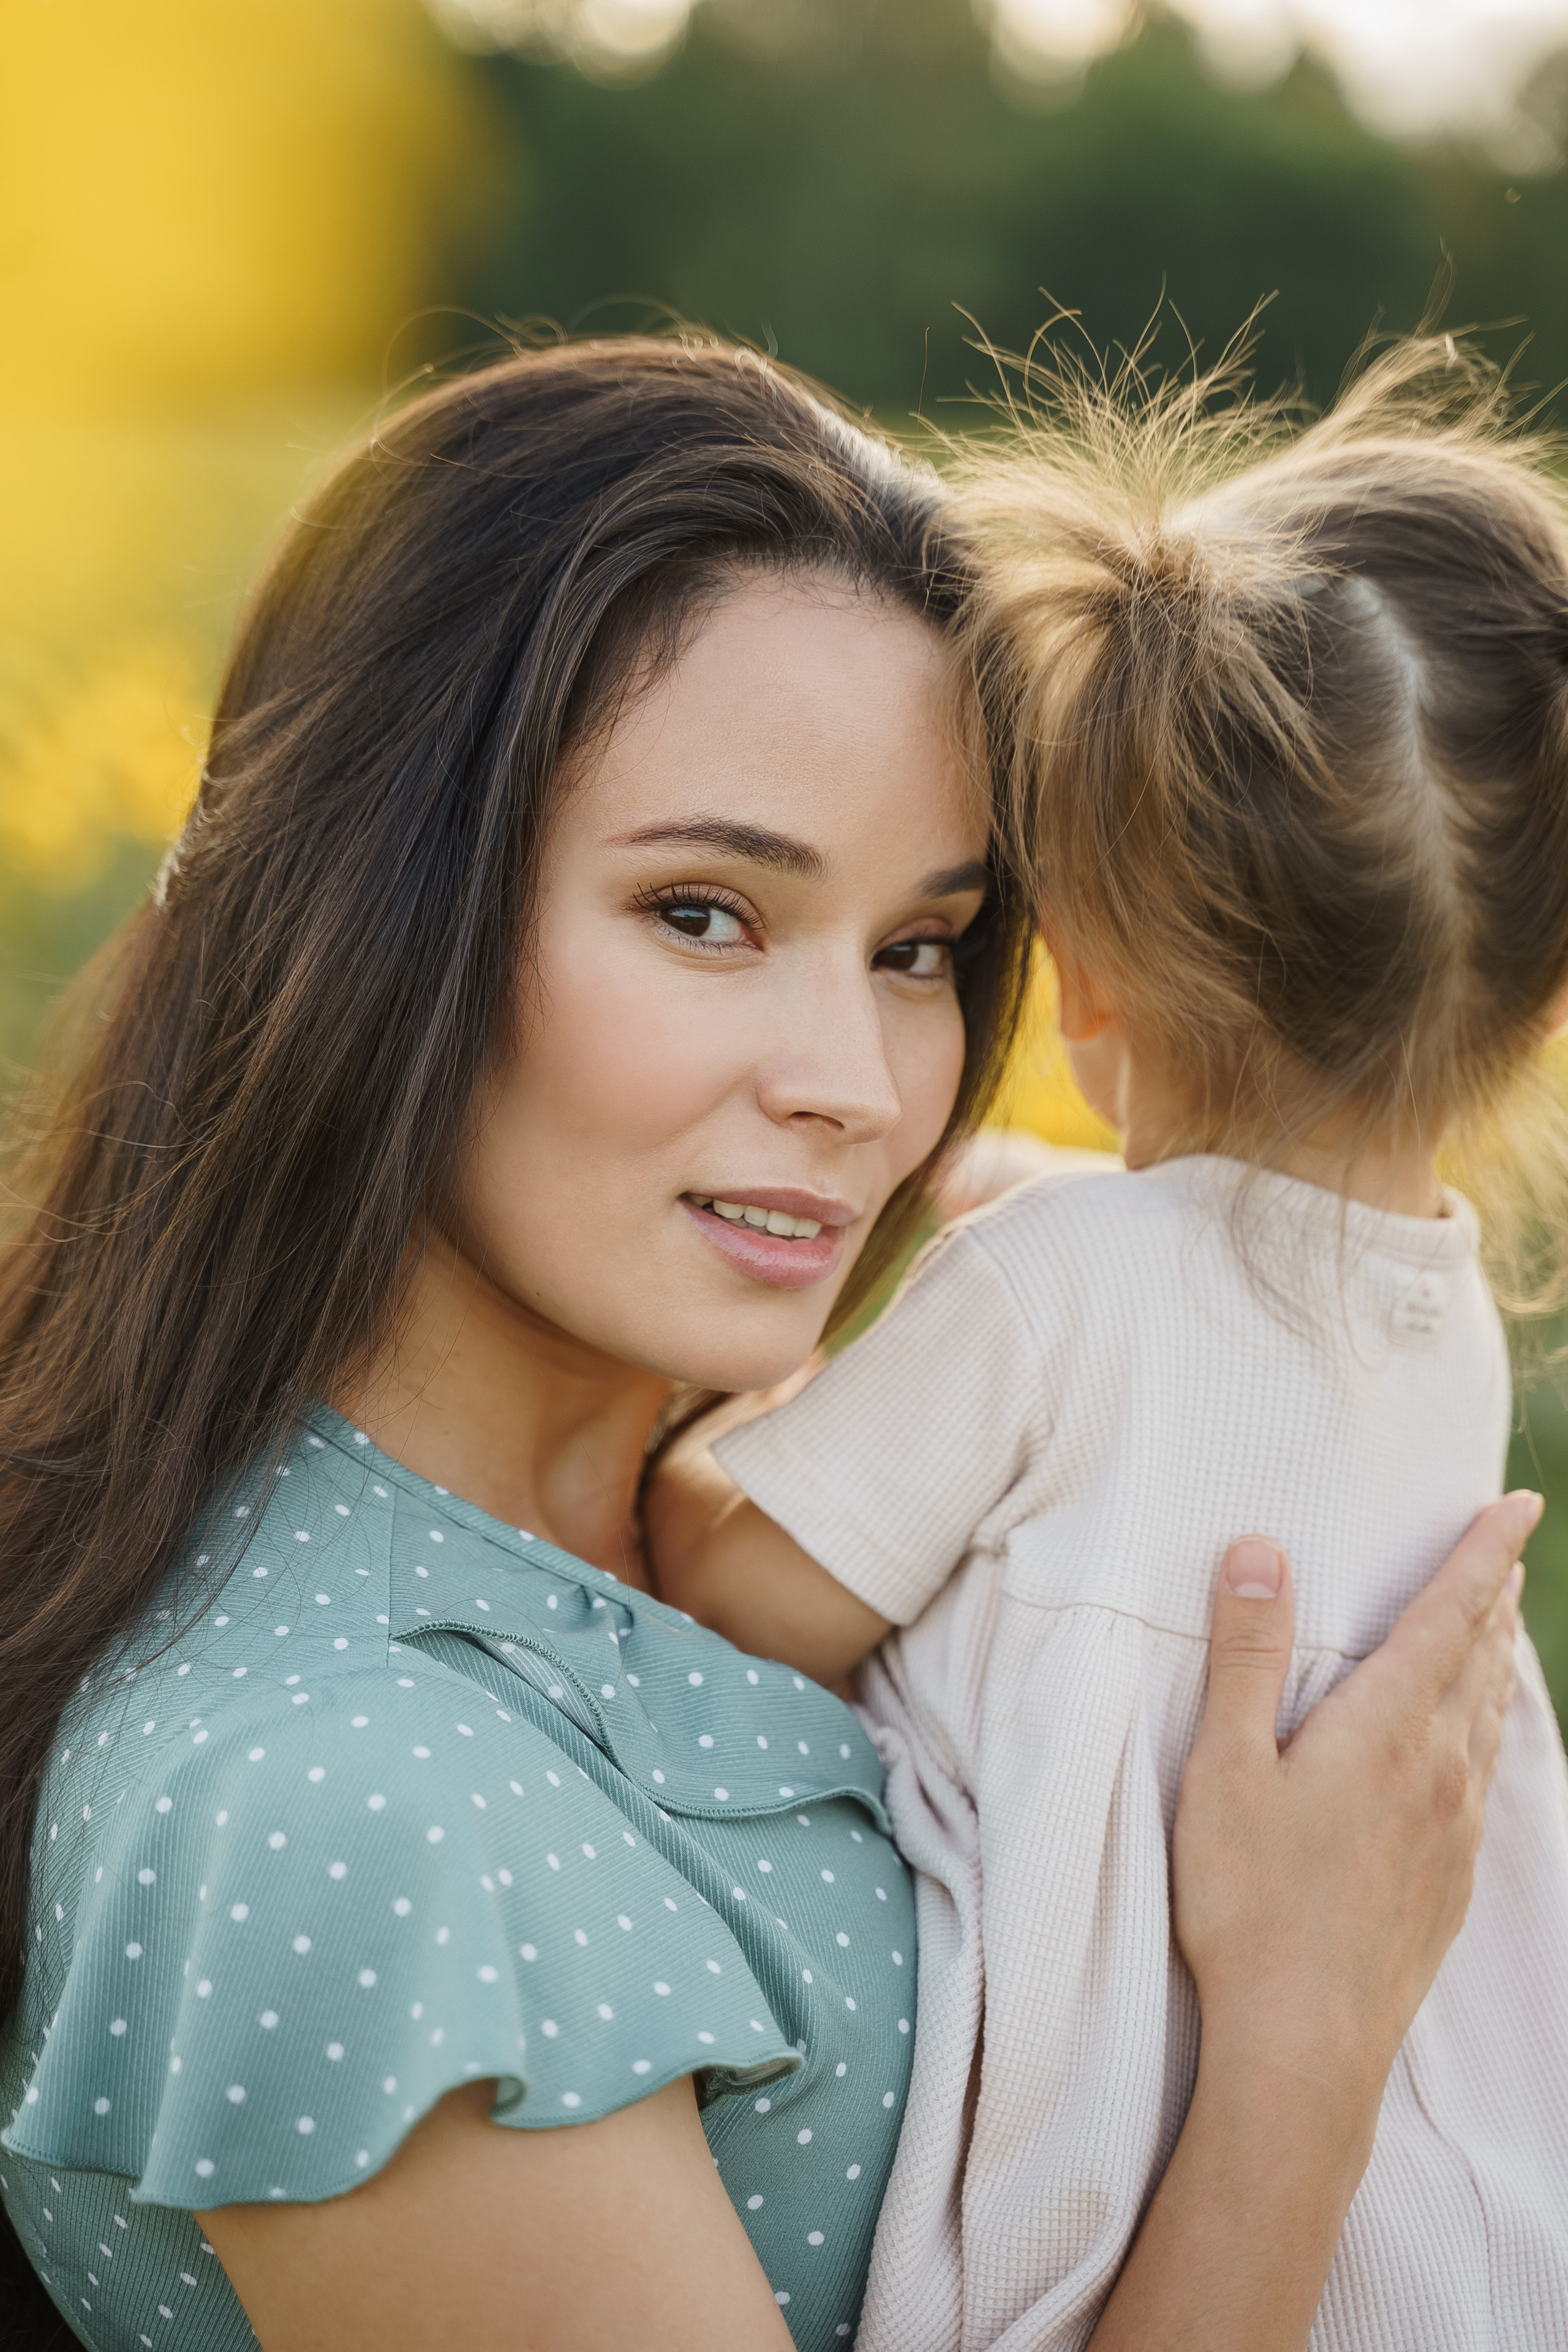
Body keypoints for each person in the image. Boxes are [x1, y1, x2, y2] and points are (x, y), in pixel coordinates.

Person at [0, 336, 1528, 2352]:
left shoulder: (704, 1504)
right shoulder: (360, 1807)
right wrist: (1307, 2051)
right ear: (372, 907)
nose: (862, 1087)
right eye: (706, 912)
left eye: (918, 950)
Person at [653, 341, 1568, 2350]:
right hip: (1439, 2249)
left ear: (1083, 972)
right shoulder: (1441, 1336)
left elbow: (744, 1591)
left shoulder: (1052, 1289)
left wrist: (740, 1393)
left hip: (1132, 2238)